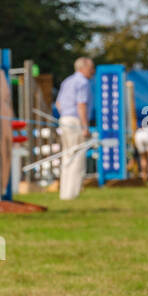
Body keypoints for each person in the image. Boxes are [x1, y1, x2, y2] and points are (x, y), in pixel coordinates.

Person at [54, 57, 94, 200]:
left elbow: (58, 103)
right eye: (91, 68)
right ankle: (73, 194)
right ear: (83, 68)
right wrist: (85, 126)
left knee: (67, 156)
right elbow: (81, 105)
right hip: (76, 121)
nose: (93, 71)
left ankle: (64, 193)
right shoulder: (83, 82)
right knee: (77, 158)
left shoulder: (67, 81)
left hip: (63, 120)